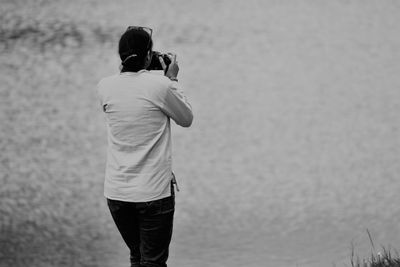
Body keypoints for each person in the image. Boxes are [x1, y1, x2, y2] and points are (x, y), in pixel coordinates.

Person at [96, 26, 193, 267]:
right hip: (153, 193)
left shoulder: (104, 87)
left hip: (117, 194)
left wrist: (141, 65)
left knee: (137, 256)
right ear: (149, 56)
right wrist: (172, 78)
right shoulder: (160, 87)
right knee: (154, 261)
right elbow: (186, 118)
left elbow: (126, 81)